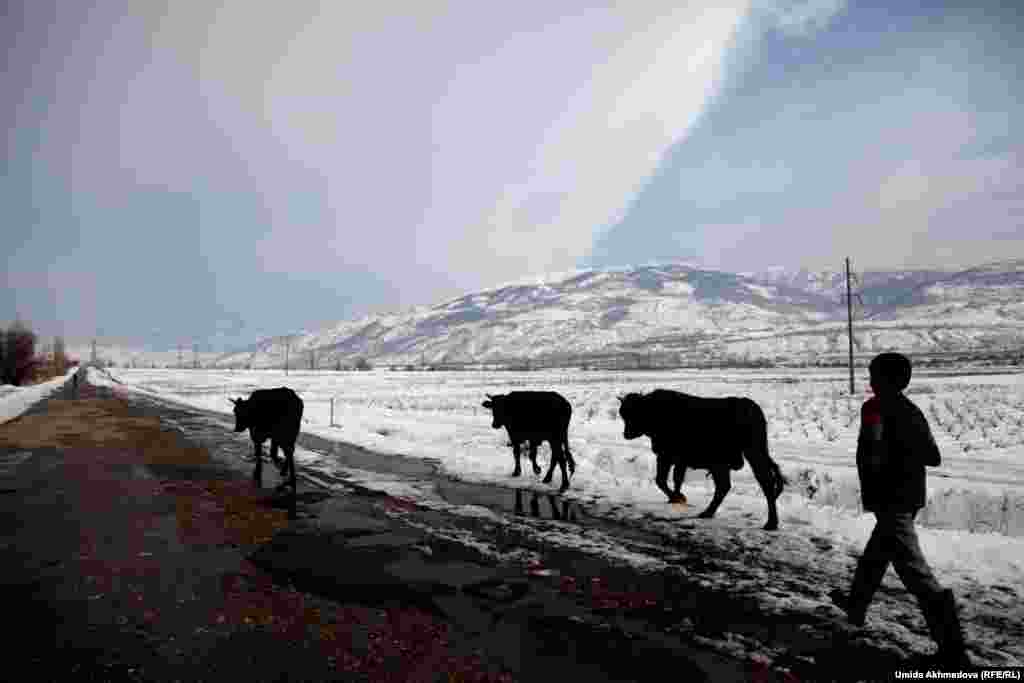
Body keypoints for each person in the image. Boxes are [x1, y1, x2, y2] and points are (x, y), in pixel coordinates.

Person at [830, 352, 970, 666]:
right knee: (877, 553)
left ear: (883, 380)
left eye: (872, 374)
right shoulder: (912, 410)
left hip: (890, 499)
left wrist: (885, 462)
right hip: (909, 495)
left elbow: (872, 454)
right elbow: (933, 457)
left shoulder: (874, 408)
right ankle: (855, 606)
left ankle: (953, 649)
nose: (869, 379)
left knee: (914, 570)